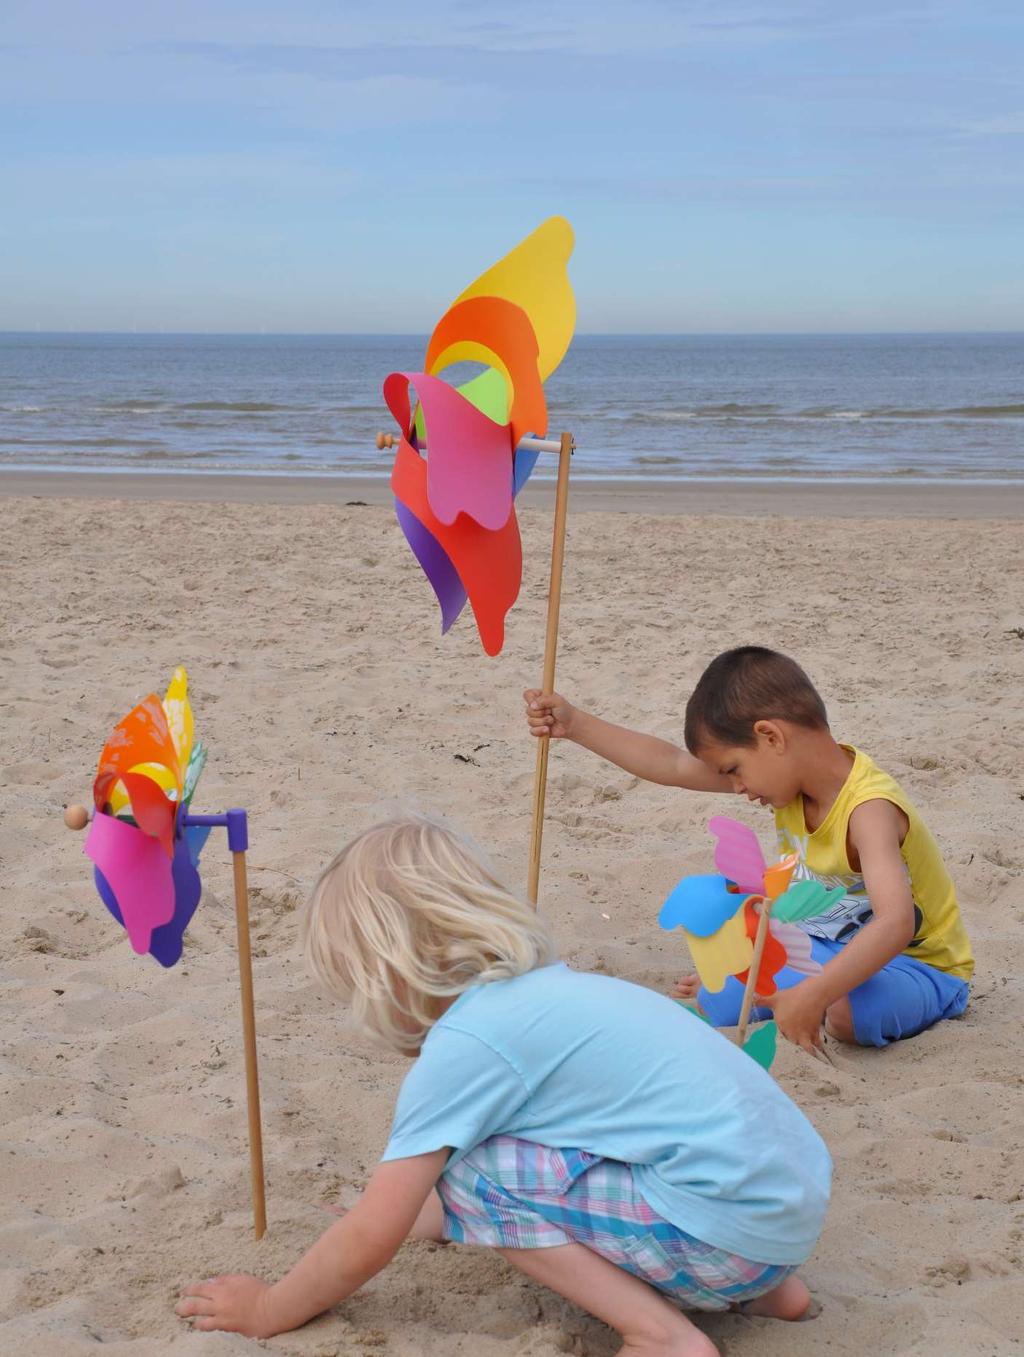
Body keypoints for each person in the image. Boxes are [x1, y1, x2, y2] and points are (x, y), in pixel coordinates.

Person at [177, 813, 830, 1356]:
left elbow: (373, 1230)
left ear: (393, 973)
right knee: (507, 1154)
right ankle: (767, 1292)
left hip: (720, 1232)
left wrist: (267, 1307)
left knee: (473, 1172)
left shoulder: (468, 1042)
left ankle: (660, 1334)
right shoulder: (547, 992)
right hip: (782, 1214)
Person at [525, 646, 973, 1054]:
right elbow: (673, 765)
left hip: (916, 966)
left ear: (770, 736)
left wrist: (814, 994)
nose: (737, 787)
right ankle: (798, 988)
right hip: (823, 945)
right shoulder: (789, 781)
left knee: (843, 1012)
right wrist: (577, 725)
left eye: (735, 770)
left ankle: (815, 994)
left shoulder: (868, 810)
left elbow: (894, 924)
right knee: (718, 998)